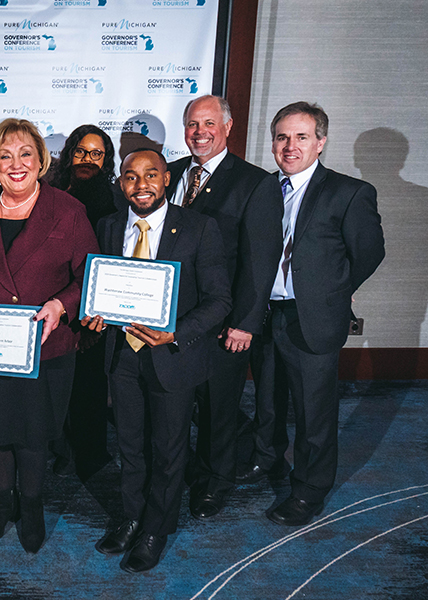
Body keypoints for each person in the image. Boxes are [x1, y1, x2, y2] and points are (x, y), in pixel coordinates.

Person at [0, 118, 99, 553]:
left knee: (33, 434)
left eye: (25, 154)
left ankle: (31, 506)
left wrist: (61, 305)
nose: (16, 165)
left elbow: (88, 276)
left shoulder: (68, 211)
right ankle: (1, 503)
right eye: (5, 155)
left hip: (44, 344)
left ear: (41, 160)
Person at [85, 149, 231, 572]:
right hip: (123, 356)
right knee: (129, 446)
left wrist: (177, 332)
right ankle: (132, 518)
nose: (141, 184)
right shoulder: (109, 226)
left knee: (168, 449)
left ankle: (156, 529)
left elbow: (219, 299)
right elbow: (102, 287)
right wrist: (96, 314)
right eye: (130, 177)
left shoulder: (200, 228)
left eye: (151, 175)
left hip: (172, 356)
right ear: (121, 183)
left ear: (167, 179)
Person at [245, 102, 384, 526]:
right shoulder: (263, 189)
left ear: (320, 142)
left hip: (314, 320)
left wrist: (335, 291)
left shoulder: (348, 192)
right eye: (282, 137)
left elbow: (369, 253)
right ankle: (266, 460)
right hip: (266, 316)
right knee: (267, 400)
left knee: (313, 413)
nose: (290, 146)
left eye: (301, 137)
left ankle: (309, 490)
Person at [164, 95, 284, 519]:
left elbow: (261, 259)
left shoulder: (255, 182)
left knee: (218, 408)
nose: (200, 133)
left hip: (223, 323)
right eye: (193, 125)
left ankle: (214, 482)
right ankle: (176, 474)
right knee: (177, 404)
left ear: (228, 128)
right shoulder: (171, 173)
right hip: (172, 319)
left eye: (209, 124)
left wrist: (245, 323)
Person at [49, 124, 120, 477]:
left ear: (106, 160)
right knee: (54, 384)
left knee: (90, 386)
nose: (86, 160)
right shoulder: (49, 192)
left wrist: (96, 315)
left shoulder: (114, 201)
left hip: (94, 310)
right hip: (53, 304)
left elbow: (111, 262)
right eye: (80, 151)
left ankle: (90, 454)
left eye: (96, 153)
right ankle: (57, 449)